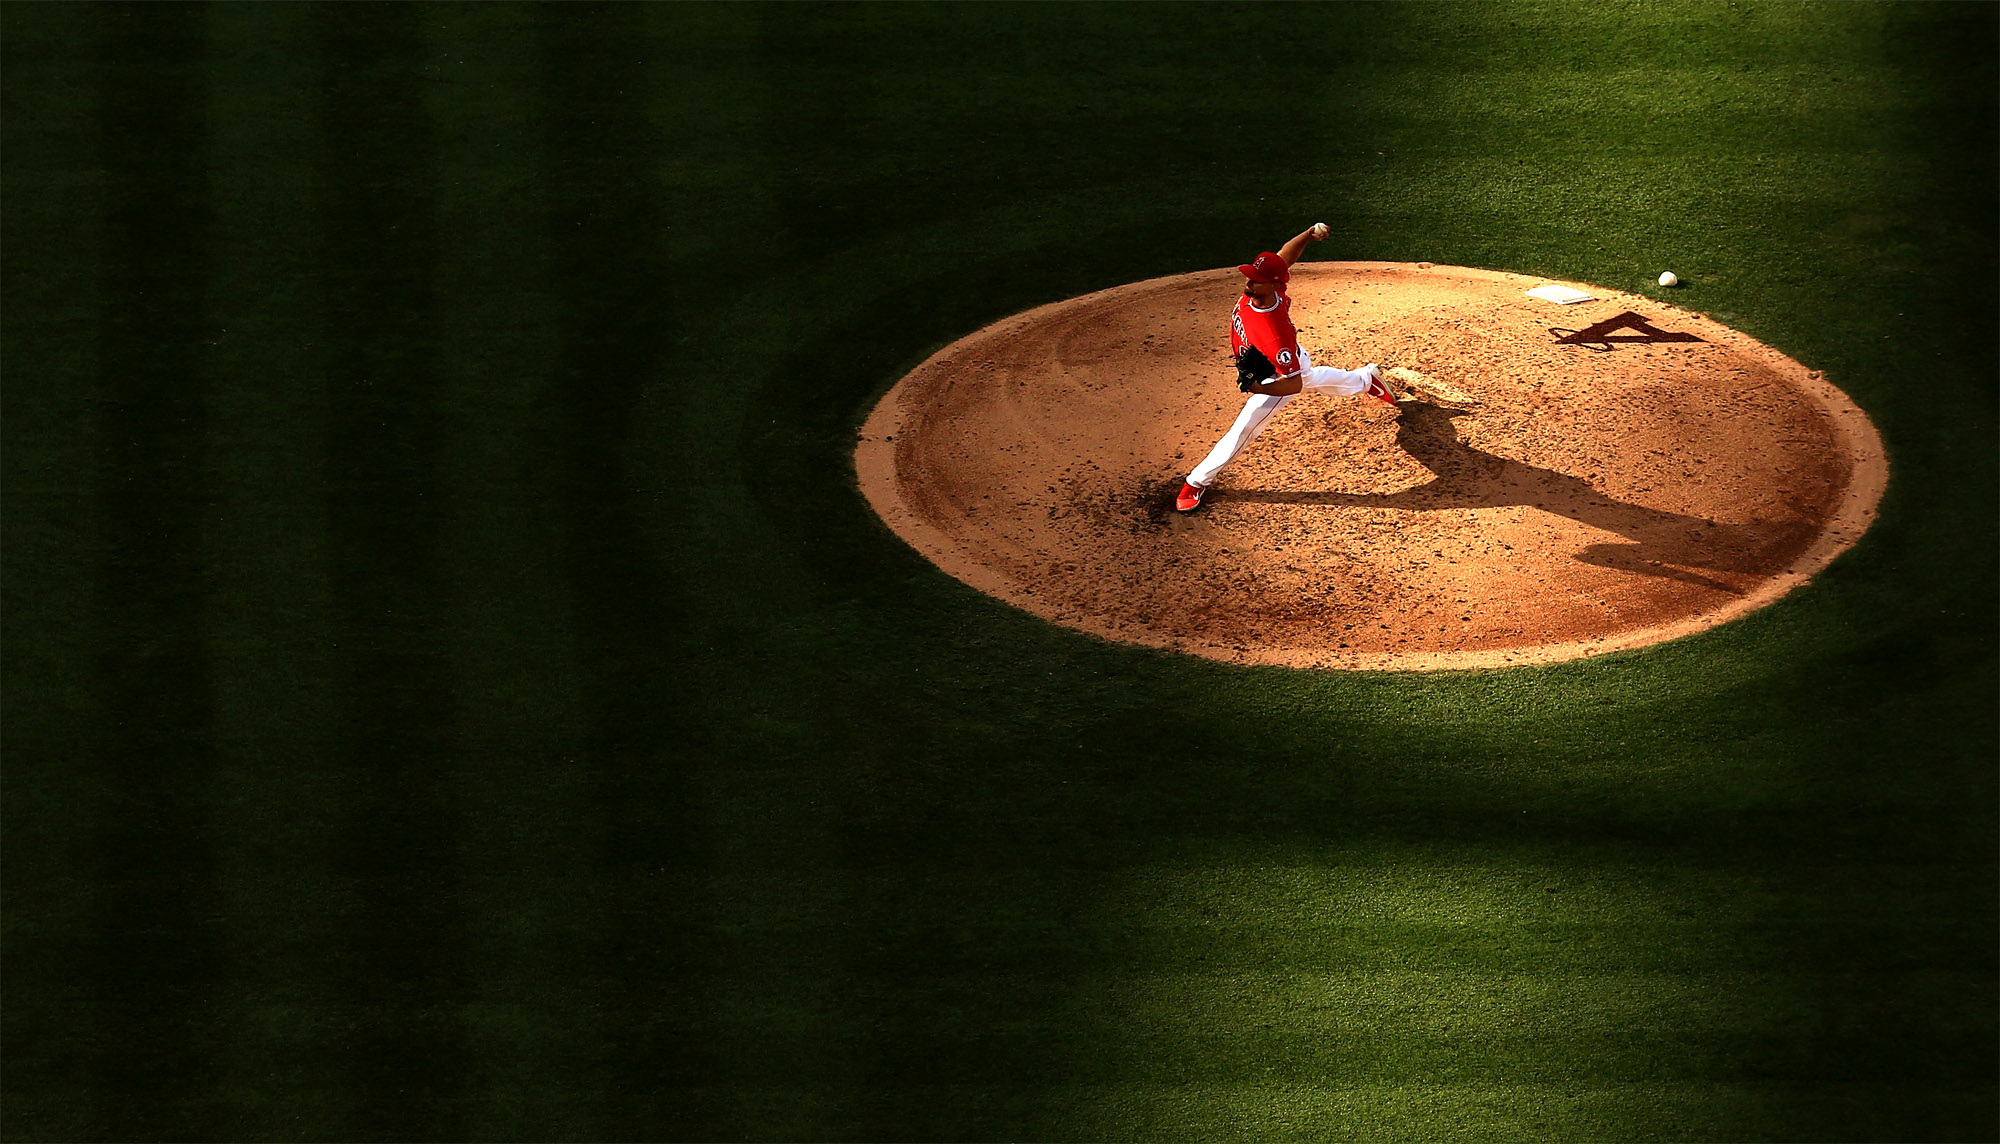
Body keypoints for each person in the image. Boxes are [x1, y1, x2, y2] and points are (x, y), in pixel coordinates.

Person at [1174, 223, 1400, 512]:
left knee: (1246, 426)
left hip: (1278, 373)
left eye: (1256, 280)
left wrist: (1259, 387)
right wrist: (1307, 235)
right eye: (1251, 277)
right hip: (1288, 360)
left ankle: (1197, 481)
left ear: (1274, 284)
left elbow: (1293, 384)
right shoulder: (1264, 291)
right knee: (1310, 375)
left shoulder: (1274, 333)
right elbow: (1284, 257)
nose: (1248, 283)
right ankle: (1367, 380)